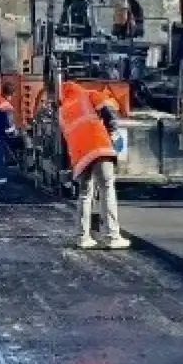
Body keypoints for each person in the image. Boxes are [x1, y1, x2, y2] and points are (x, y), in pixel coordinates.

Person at [59, 81, 131, 250]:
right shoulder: (89, 94)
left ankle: (83, 237)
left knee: (84, 194)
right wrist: (113, 134)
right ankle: (112, 236)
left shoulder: (63, 111)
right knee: (107, 189)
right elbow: (109, 113)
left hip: (80, 156)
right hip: (99, 148)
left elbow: (65, 138)